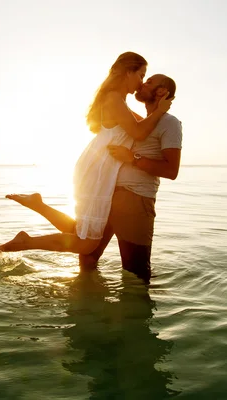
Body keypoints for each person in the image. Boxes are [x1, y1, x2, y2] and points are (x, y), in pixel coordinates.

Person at [0, 51, 173, 256]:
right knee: (87, 244)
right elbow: (139, 132)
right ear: (127, 73)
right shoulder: (114, 98)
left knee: (83, 231)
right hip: (97, 170)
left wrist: (159, 113)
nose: (141, 83)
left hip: (99, 168)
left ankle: (38, 205)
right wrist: (160, 111)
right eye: (141, 75)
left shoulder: (118, 101)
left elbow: (141, 124)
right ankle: (26, 242)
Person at [81, 73, 182, 283]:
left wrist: (133, 158)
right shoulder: (138, 123)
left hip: (136, 200)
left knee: (136, 271)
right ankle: (89, 310)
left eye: (150, 81)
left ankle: (134, 314)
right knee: (88, 258)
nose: (143, 84)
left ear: (162, 92)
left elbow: (171, 170)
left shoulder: (170, 123)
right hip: (108, 196)